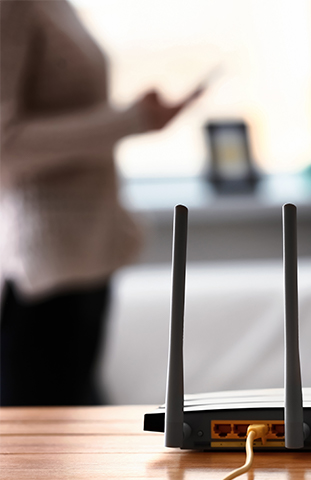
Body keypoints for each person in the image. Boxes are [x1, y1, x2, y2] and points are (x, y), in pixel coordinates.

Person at [0, 0, 199, 405]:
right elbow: (5, 145)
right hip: (49, 264)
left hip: (91, 250)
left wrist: (138, 117)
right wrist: (130, 120)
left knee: (75, 427)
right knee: (44, 442)